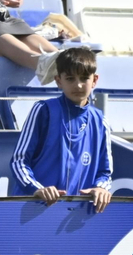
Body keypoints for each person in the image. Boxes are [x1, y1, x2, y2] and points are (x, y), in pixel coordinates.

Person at [11, 45, 113, 210]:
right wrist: (37, 188)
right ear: (59, 81)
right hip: (33, 210)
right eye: (70, 78)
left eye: (84, 78)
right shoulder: (43, 110)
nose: (78, 85)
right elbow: (19, 161)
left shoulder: (100, 121)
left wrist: (101, 188)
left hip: (75, 217)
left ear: (94, 80)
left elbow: (104, 173)